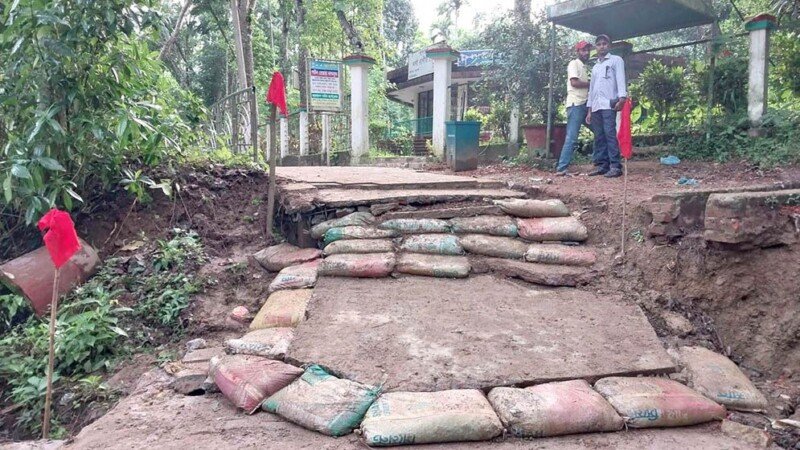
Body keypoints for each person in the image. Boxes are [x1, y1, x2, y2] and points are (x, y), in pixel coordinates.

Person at [586, 34, 627, 178]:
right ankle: (603, 165)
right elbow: (592, 89)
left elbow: (621, 79)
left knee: (609, 133)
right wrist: (589, 109)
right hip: (596, 106)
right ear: (596, 48)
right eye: (599, 44)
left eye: (604, 43)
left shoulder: (616, 60)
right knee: (599, 136)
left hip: (609, 104)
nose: (601, 46)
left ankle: (615, 166)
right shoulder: (596, 66)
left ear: (609, 46)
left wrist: (622, 98)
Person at [556, 41, 592, 176]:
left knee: (600, 131)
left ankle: (600, 162)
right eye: (583, 50)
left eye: (588, 50)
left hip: (584, 105)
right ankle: (561, 168)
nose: (586, 53)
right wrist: (591, 84)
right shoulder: (574, 64)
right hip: (575, 105)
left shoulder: (584, 67)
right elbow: (574, 82)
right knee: (571, 137)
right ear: (578, 52)